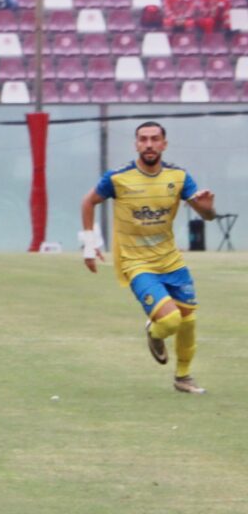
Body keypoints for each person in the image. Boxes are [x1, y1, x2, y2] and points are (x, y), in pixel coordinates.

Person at [80, 122, 216, 395]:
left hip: (171, 261)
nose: (149, 144)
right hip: (136, 262)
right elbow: (88, 202)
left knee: (188, 321)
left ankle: (183, 377)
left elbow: (206, 215)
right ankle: (155, 333)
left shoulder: (178, 177)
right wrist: (89, 245)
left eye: (155, 139)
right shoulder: (117, 178)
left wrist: (208, 209)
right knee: (169, 322)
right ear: (136, 144)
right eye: (143, 139)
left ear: (164, 144)